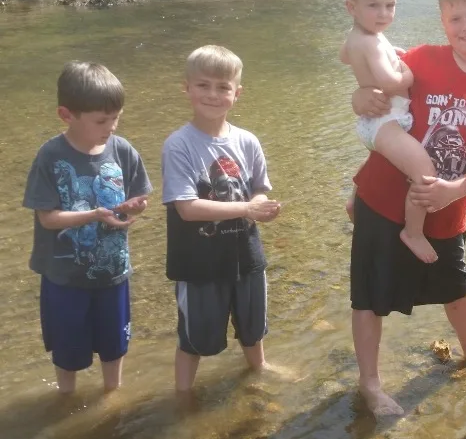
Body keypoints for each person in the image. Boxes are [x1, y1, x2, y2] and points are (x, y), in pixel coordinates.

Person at [348, 0, 466, 416]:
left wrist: (458, 187)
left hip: (447, 207)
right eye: (456, 19)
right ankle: (370, 383)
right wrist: (360, 97)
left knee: (456, 287)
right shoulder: (418, 60)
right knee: (370, 296)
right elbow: (373, 98)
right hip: (382, 200)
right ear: (443, 21)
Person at [23, 61, 151, 393]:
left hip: (113, 273)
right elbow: (48, 218)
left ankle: (112, 397)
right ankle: (66, 399)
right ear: (67, 115)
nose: (111, 126)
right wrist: (95, 215)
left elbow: (140, 195)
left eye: (116, 118)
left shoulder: (122, 150)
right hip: (65, 278)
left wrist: (134, 206)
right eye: (101, 120)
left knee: (114, 345)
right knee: (68, 352)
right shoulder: (50, 156)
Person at [162, 45, 283, 393]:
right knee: (192, 337)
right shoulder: (179, 145)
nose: (213, 94)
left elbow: (258, 189)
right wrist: (247, 209)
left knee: (253, 326)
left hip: (246, 254)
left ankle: (259, 371)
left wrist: (262, 206)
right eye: (203, 85)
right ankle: (182, 395)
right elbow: (187, 208)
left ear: (237, 93)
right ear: (186, 88)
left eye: (222, 87)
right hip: (198, 261)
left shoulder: (248, 141)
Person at [340, 0, 438, 264]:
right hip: (384, 122)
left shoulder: (363, 36)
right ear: (351, 7)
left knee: (397, 166)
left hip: (383, 120)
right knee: (425, 172)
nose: (383, 13)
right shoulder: (368, 41)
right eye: (374, 6)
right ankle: (414, 232)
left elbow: (345, 56)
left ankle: (355, 201)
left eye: (390, 5)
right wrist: (408, 72)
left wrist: (385, 52)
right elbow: (390, 82)